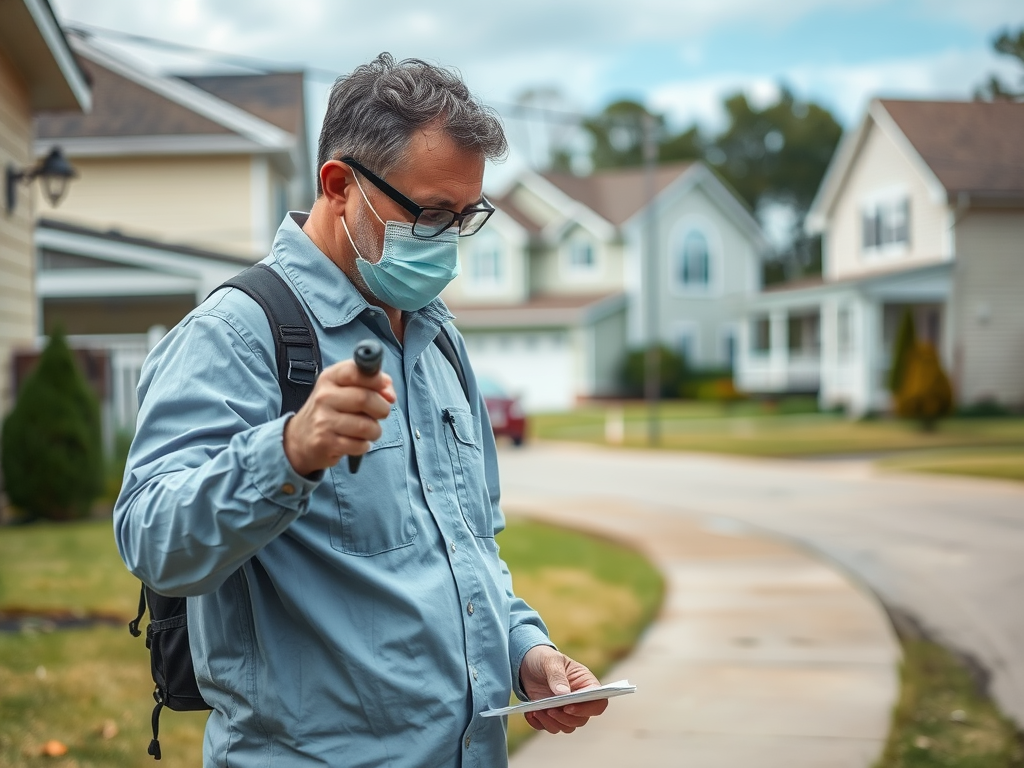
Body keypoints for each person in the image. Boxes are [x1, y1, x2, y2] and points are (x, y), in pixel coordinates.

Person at [113, 53, 607, 767]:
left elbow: (468, 550)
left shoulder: (437, 337)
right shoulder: (234, 335)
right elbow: (152, 538)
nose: (447, 241)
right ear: (340, 185)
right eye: (431, 214)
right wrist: (289, 452)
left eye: (465, 218)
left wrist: (525, 649)